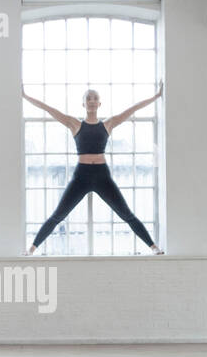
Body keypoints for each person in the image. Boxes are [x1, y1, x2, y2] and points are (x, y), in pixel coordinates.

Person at [22, 81, 164, 255]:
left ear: (99, 103)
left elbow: (133, 109)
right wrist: (26, 96)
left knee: (126, 214)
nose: (91, 101)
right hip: (81, 176)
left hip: (102, 175)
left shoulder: (108, 124)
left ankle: (154, 247)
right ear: (83, 104)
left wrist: (156, 96)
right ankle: (31, 249)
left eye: (95, 98)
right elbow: (49, 109)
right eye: (88, 98)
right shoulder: (74, 124)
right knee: (58, 215)